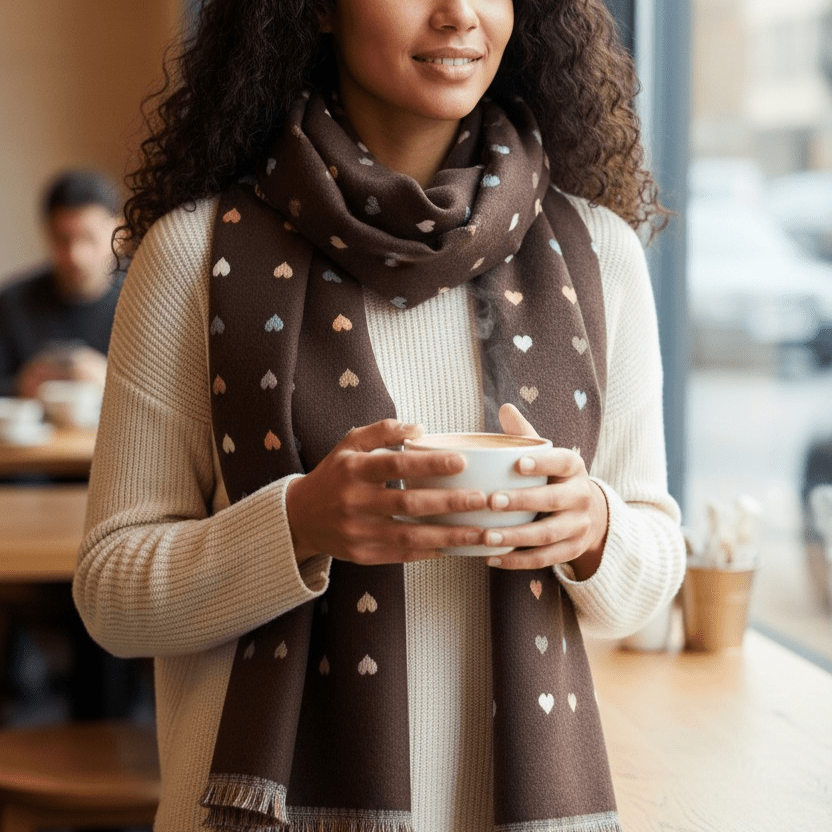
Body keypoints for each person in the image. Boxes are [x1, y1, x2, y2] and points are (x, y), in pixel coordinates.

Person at [73, 1, 686, 830]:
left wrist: (594, 527)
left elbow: (650, 554)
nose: (459, 15)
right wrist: (300, 525)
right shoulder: (193, 254)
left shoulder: (598, 251)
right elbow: (112, 594)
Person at [0, 169, 122, 398]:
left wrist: (109, 380)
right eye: (63, 239)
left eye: (89, 237)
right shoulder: (11, 303)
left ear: (119, 234)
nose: (76, 255)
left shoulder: (143, 303)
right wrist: (21, 386)